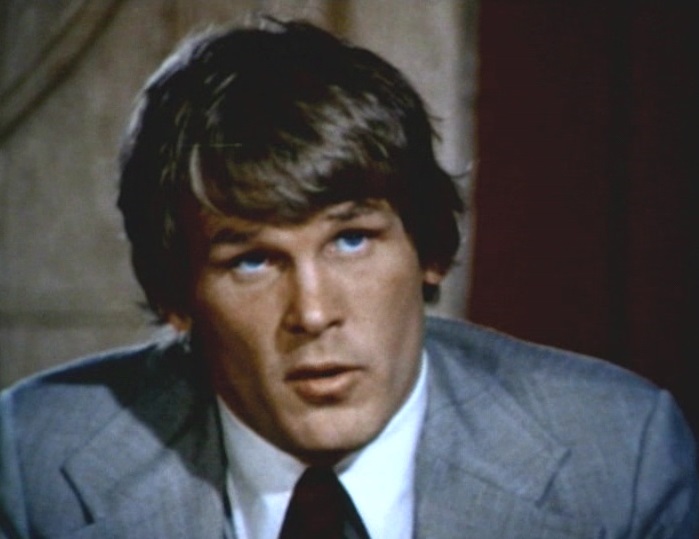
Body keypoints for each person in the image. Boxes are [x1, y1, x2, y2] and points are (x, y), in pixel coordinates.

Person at [1, 17, 697, 539]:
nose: (312, 313)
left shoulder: (617, 456)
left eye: (351, 240)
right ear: (175, 296)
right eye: (252, 260)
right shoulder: (30, 460)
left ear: (429, 249)